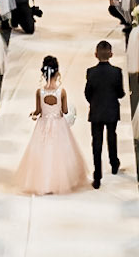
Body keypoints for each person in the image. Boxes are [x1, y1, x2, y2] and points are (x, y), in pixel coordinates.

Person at [12, 54, 91, 197]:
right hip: (58, 124)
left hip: (43, 124)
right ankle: (60, 180)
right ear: (57, 73)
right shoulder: (62, 92)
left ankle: (43, 181)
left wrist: (34, 113)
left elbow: (38, 111)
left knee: (43, 152)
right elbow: (65, 111)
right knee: (60, 152)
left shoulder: (39, 92)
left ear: (43, 73)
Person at [84, 39, 125, 188]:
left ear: (95, 54)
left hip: (96, 110)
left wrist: (94, 102)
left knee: (96, 142)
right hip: (112, 109)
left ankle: (97, 175)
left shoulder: (91, 72)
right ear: (111, 54)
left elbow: (87, 93)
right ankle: (114, 163)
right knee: (112, 136)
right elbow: (120, 93)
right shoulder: (117, 72)